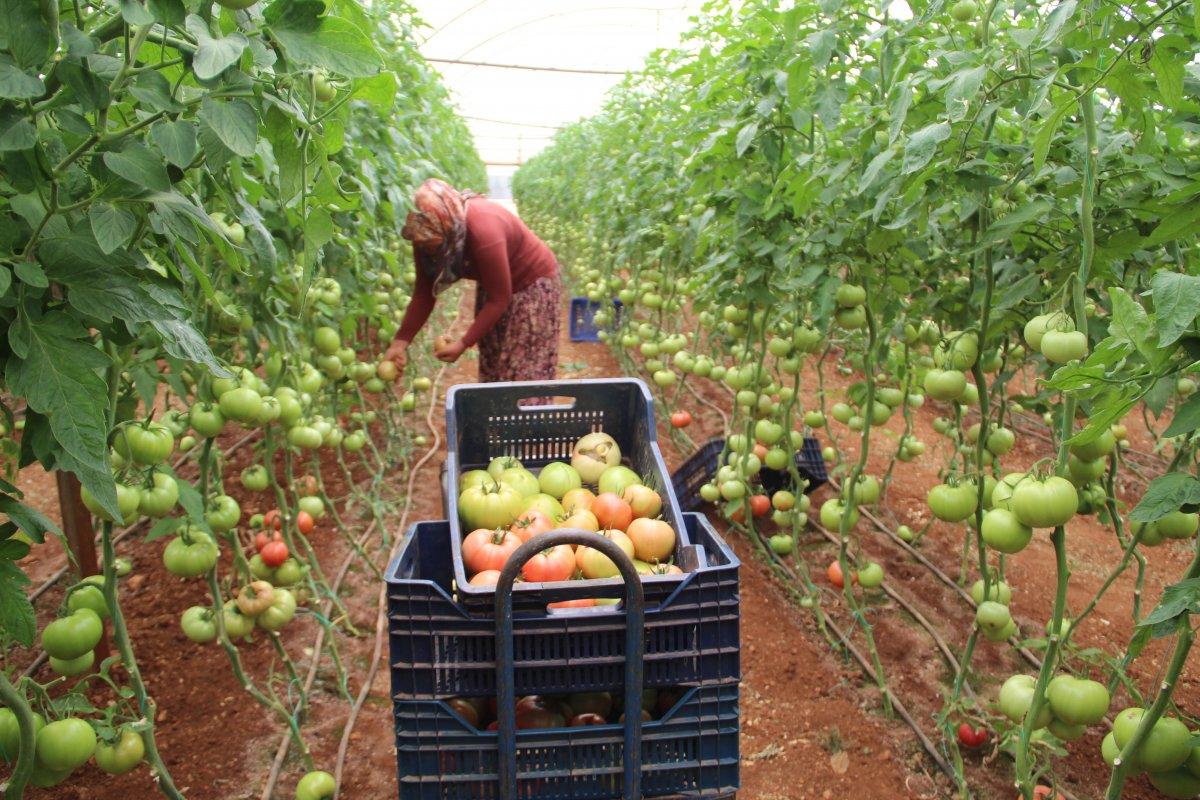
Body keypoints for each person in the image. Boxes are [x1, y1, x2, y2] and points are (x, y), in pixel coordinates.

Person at [382, 178, 562, 383]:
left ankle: (527, 412)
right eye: (425, 245)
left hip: (532, 285)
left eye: (437, 245)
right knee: (493, 361)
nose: (432, 251)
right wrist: (400, 342)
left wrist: (463, 343)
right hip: (494, 284)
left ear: (449, 228)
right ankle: (494, 413)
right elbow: (424, 293)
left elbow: (499, 298)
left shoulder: (484, 231)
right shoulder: (424, 235)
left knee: (525, 370)